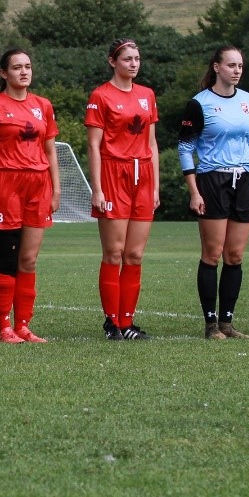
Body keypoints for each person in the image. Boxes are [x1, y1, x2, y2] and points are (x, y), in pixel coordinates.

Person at [0, 48, 60, 344]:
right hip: (6, 185)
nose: (23, 72)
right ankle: (4, 326)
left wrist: (56, 188)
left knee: (29, 258)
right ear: (4, 73)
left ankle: (24, 325)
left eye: (27, 67)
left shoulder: (43, 106)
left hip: (38, 186)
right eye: (16, 67)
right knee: (5, 258)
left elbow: (50, 150)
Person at [178, 46, 249, 340]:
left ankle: (227, 323)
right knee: (213, 254)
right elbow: (185, 148)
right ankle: (211, 324)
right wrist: (194, 191)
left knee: (234, 255)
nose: (237, 70)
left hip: (244, 181)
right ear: (216, 67)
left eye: (240, 66)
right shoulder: (199, 104)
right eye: (231, 65)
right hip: (213, 179)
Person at [86, 39, 160, 341]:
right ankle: (112, 322)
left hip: (142, 176)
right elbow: (94, 144)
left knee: (135, 254)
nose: (133, 63)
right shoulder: (101, 96)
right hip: (114, 174)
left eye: (137, 58)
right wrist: (98, 189)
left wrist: (154, 186)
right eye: (127, 59)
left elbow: (152, 143)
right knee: (114, 253)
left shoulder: (147, 95)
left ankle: (127, 322)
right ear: (112, 62)